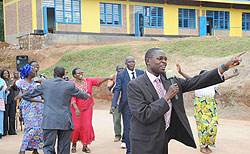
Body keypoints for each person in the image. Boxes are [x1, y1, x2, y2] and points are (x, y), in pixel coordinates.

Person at [126, 48, 245, 154]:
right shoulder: (135, 85)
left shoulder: (169, 80)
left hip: (163, 137)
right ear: (148, 61)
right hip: (145, 140)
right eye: (160, 59)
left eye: (165, 59)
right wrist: (166, 97)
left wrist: (224, 67)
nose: (164, 62)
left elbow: (196, 81)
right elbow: (144, 114)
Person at [22, 66, 90, 154]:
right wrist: (87, 96)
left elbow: (26, 95)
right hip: (65, 120)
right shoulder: (69, 85)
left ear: (54, 74)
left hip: (49, 120)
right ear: (64, 74)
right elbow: (84, 96)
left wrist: (41, 100)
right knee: (64, 148)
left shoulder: (45, 84)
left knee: (48, 147)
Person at [176, 64, 239, 154]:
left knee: (213, 125)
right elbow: (188, 78)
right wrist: (180, 72)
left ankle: (208, 144)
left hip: (211, 105)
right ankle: (202, 146)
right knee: (203, 126)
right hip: (200, 106)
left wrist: (233, 75)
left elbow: (224, 78)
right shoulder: (196, 84)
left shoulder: (212, 84)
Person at [70, 68, 114, 153]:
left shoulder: (88, 80)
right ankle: (74, 145)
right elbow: (72, 97)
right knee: (76, 127)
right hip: (76, 109)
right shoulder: (72, 84)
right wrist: (76, 109)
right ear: (75, 75)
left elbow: (98, 80)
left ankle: (85, 146)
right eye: (79, 73)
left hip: (88, 108)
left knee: (86, 126)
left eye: (81, 72)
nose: (81, 74)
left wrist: (108, 78)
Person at [111, 56, 144, 154]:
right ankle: (129, 151)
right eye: (129, 62)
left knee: (141, 127)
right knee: (128, 127)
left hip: (141, 105)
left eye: (133, 62)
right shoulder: (121, 75)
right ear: (126, 63)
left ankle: (140, 149)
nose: (131, 64)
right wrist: (113, 104)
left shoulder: (141, 73)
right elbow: (117, 89)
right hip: (127, 105)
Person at [18, 64, 44, 154]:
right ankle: (22, 149)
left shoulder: (35, 79)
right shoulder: (22, 82)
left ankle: (35, 149)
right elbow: (25, 97)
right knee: (32, 127)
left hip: (38, 107)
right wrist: (39, 101)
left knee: (39, 128)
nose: (35, 71)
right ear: (29, 73)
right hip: (28, 106)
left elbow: (46, 82)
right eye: (33, 70)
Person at [107, 64, 126, 148]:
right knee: (116, 120)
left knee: (127, 120)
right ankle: (117, 135)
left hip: (125, 101)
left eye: (122, 68)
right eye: (119, 69)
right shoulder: (113, 78)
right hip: (117, 102)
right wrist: (116, 81)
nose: (120, 70)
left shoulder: (126, 76)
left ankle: (125, 136)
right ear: (116, 70)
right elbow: (111, 89)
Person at [1, 69, 18, 136]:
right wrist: (10, 86)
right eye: (4, 74)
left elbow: (16, 89)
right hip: (5, 101)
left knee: (12, 115)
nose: (6, 75)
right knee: (5, 116)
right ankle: (5, 131)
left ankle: (12, 130)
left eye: (7, 73)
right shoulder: (2, 82)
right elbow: (5, 90)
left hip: (12, 100)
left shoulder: (11, 80)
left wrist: (14, 85)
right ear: (2, 75)